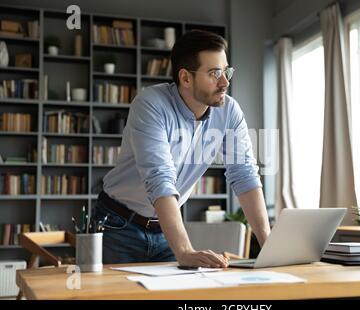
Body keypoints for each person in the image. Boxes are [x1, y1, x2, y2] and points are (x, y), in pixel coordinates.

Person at [93, 30, 270, 268]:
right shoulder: (150, 104)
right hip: (118, 225)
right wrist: (185, 250)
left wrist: (269, 246)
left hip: (165, 229)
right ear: (185, 78)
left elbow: (244, 174)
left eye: (226, 71)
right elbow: (160, 178)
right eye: (215, 73)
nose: (225, 82)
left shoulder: (229, 111)